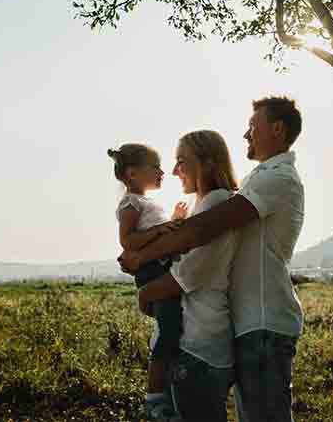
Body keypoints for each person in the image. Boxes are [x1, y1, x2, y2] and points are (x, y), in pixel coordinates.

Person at [122, 97, 307, 422]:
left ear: (277, 129)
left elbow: (203, 230)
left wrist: (141, 257)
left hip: (262, 321)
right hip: (247, 323)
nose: (246, 134)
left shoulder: (278, 178)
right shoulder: (256, 179)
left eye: (253, 126)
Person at [135, 130, 243, 422]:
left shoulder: (218, 204)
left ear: (208, 163)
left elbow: (188, 274)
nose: (173, 171)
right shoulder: (204, 205)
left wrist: (145, 293)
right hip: (193, 345)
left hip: (200, 348)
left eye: (181, 161)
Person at [108, 143, 189, 421]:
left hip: (161, 266)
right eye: (155, 166)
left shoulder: (148, 202)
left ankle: (172, 379)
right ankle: (155, 397)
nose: (162, 171)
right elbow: (127, 241)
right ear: (132, 174)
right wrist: (159, 229)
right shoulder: (131, 203)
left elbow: (161, 236)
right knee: (168, 329)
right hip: (151, 271)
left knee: (175, 323)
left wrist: (175, 222)